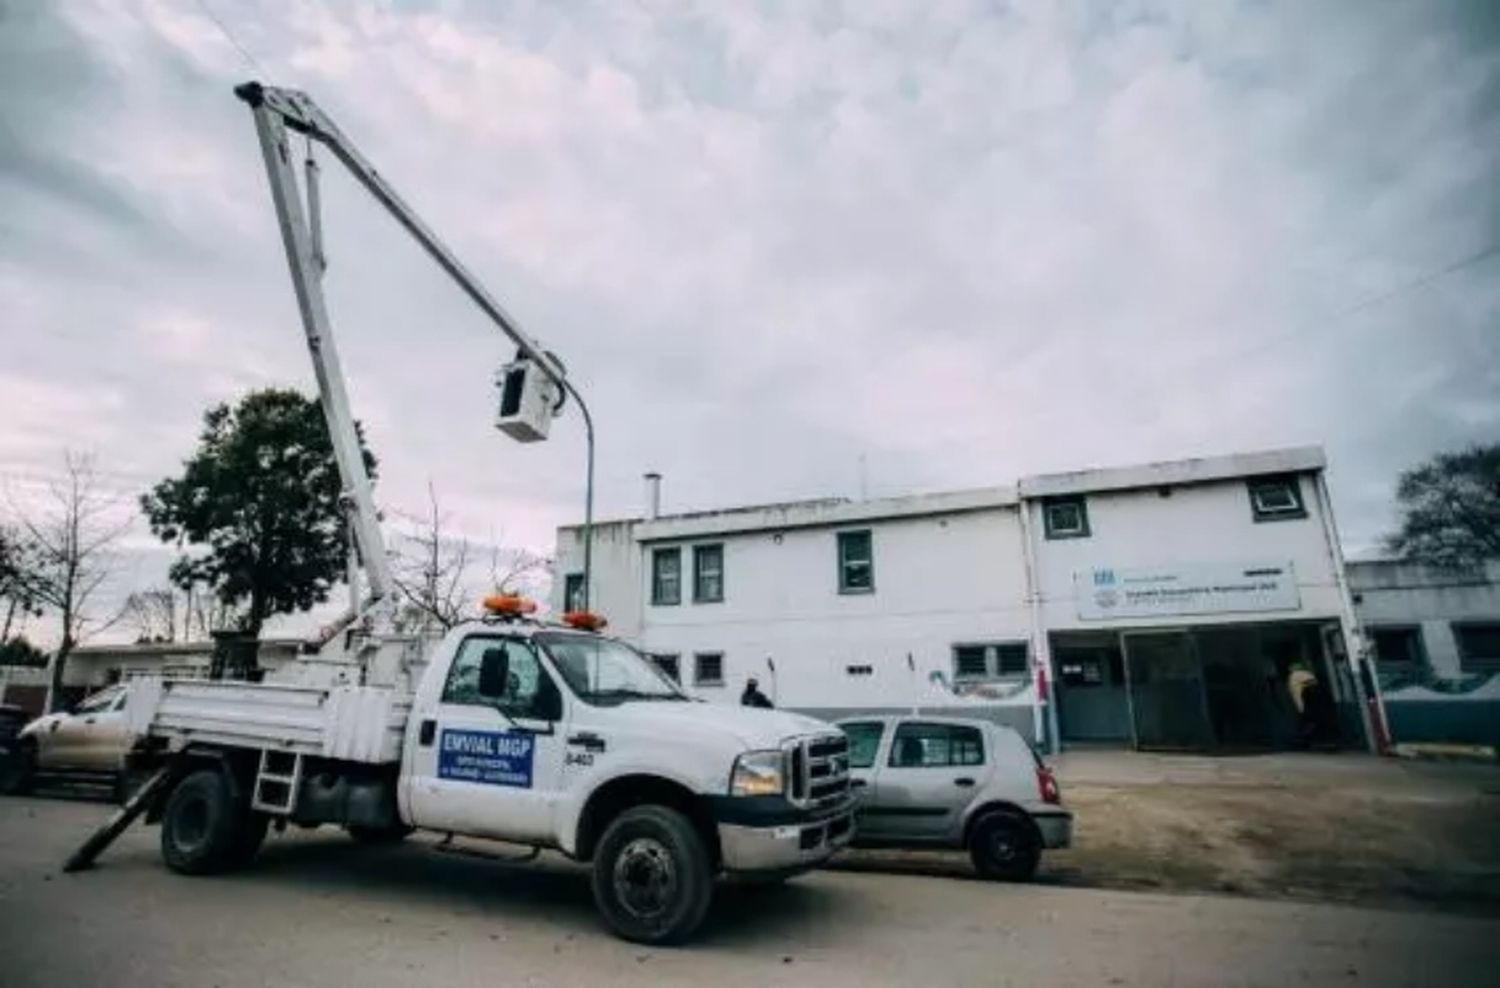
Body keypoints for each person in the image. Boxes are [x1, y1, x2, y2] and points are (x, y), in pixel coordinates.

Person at [1286, 661, 1319, 747]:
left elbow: (1313, 682)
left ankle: (1303, 739)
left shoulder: (1298, 675)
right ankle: (1303, 739)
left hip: (1304, 704)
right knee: (1309, 722)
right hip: (1304, 704)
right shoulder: (1298, 675)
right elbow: (1313, 682)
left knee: (1309, 722)